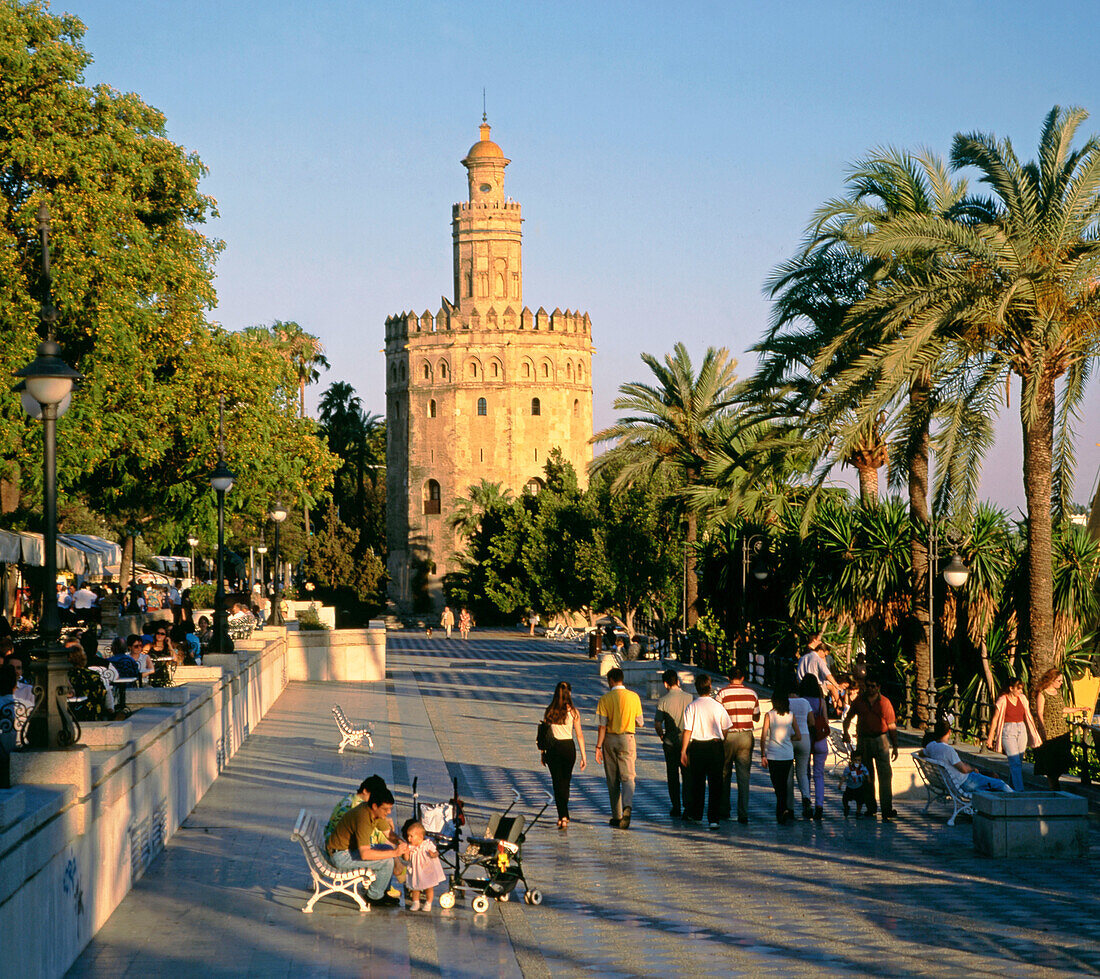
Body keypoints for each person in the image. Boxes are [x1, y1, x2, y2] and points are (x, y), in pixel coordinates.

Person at [325, 786, 407, 907]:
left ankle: (383, 891)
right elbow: (365, 854)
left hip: (349, 849)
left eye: (390, 809)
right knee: (387, 860)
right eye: (386, 809)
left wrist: (401, 842)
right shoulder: (363, 818)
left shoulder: (374, 813)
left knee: (387, 849)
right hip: (341, 856)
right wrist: (395, 853)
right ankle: (374, 897)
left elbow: (389, 834)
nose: (389, 812)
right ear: (375, 806)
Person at [680, 674, 732, 829]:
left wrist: (683, 751)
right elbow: (726, 727)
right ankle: (713, 818)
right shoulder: (718, 706)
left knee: (697, 782)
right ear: (710, 687)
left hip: (697, 747)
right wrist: (721, 738)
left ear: (697, 688)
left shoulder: (692, 706)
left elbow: (687, 730)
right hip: (715, 746)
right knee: (716, 783)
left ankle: (697, 814)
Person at [842, 677, 899, 821]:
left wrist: (895, 745)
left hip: (881, 740)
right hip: (864, 740)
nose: (870, 689)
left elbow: (891, 725)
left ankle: (886, 809)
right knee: (867, 776)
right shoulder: (859, 701)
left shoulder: (885, 702)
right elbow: (848, 717)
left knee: (885, 775)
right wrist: (846, 732)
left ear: (878, 687)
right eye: (868, 686)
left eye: (873, 686)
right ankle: (871, 807)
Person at [594, 667, 643, 829]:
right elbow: (640, 722)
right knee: (628, 776)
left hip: (609, 739)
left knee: (612, 779)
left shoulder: (605, 699)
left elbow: (602, 726)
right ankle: (627, 805)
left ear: (610, 681)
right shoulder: (634, 697)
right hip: (627, 738)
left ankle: (616, 816)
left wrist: (598, 747)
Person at [715, 668, 759, 825]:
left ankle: (724, 809)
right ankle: (743, 813)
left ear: (729, 678)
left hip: (728, 736)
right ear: (742, 677)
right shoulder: (752, 693)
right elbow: (757, 715)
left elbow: (717, 715)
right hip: (746, 736)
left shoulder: (722, 694)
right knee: (744, 776)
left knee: (724, 772)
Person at [922, 719, 1014, 793]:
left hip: (950, 782)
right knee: (1001, 784)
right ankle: (1018, 802)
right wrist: (972, 769)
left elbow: (921, 753)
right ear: (949, 732)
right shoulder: (948, 750)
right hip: (965, 782)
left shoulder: (931, 746)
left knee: (992, 775)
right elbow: (963, 769)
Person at [542, 681, 586, 828]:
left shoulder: (549, 711)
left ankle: (563, 816)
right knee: (565, 782)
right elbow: (579, 735)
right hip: (568, 748)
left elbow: (544, 734)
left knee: (556, 782)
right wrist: (583, 755)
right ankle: (564, 815)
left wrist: (542, 753)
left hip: (553, 748)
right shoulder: (573, 712)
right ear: (570, 694)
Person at [985, 677, 1040, 791]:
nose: (1020, 691)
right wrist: (990, 737)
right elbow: (995, 719)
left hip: (1021, 729)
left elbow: (1028, 715)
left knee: (1018, 761)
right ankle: (1020, 790)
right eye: (1018, 689)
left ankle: (1011, 788)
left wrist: (1033, 731)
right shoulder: (1003, 700)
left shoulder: (1023, 699)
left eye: (1021, 689)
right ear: (1011, 688)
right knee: (1015, 762)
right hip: (1008, 730)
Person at [654, 669, 693, 819]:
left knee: (672, 775)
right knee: (687, 775)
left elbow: (658, 724)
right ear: (677, 681)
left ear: (665, 683)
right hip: (687, 742)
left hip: (670, 742)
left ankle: (676, 806)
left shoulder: (663, 701)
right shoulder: (689, 697)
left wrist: (661, 735)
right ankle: (688, 806)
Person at [761, 689, 801, 824]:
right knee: (784, 783)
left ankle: (781, 810)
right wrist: (790, 738)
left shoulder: (769, 715)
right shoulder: (791, 715)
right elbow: (799, 735)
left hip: (773, 754)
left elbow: (763, 736)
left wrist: (762, 754)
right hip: (787, 754)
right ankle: (783, 809)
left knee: (777, 784)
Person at [1033, 669, 1074, 789]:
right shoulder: (1042, 694)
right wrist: (1042, 729)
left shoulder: (1058, 693)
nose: (1061, 683)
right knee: (1051, 761)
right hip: (1049, 731)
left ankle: (1055, 783)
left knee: (1062, 759)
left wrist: (1079, 709)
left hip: (1061, 730)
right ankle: (1054, 785)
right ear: (1051, 680)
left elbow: (1061, 709)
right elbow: (1040, 713)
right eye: (1059, 680)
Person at [798, 673, 830, 820]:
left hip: (806, 738)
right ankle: (820, 805)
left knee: (805, 773)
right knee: (819, 774)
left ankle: (807, 802)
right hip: (820, 740)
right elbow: (826, 720)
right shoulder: (820, 701)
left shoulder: (801, 701)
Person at [401, 818, 447, 912]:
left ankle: (428, 902)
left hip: (426, 870)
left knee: (429, 887)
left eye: (411, 836)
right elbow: (406, 859)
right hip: (415, 870)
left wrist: (433, 854)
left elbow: (436, 852)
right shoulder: (409, 846)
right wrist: (406, 853)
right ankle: (416, 902)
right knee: (415, 887)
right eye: (408, 836)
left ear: (420, 837)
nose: (409, 838)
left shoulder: (427, 845)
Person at [788, 686, 814, 820]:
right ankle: (806, 797)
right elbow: (812, 722)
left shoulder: (785, 702)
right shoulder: (805, 702)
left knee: (789, 773)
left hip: (789, 738)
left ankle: (790, 806)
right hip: (804, 737)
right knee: (802, 772)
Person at [796, 632, 839, 701]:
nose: (820, 642)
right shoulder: (818, 659)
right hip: (815, 688)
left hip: (802, 687)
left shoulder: (802, 658)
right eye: (819, 640)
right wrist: (836, 685)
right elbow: (827, 674)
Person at [841, 750, 873, 817]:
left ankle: (858, 812)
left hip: (859, 786)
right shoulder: (848, 768)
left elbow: (866, 772)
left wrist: (868, 779)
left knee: (860, 801)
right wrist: (840, 784)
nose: (857, 762)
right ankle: (846, 807)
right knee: (845, 798)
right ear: (851, 760)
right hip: (850, 787)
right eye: (856, 760)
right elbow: (844, 776)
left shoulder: (862, 767)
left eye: (859, 760)